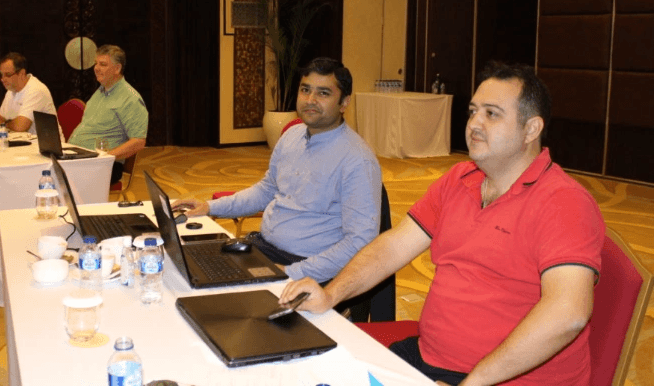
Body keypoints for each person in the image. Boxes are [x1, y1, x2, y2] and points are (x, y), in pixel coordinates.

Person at [280, 61, 605, 386]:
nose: (474, 123)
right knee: (305, 370)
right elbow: (393, 247)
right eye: (473, 111)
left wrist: (473, 382)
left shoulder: (564, 202)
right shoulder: (459, 179)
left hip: (504, 379)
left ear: (531, 129)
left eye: (492, 114)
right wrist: (331, 294)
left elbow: (568, 312)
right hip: (430, 360)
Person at [174, 57, 382, 283]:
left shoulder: (357, 160)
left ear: (344, 102)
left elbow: (359, 241)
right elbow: (266, 190)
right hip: (264, 248)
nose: (310, 100)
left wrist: (292, 272)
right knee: (189, 265)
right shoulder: (292, 136)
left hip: (307, 267)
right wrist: (209, 207)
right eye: (305, 90)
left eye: (323, 93)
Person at [69, 45, 149, 185]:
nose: (96, 68)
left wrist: (104, 158)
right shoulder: (100, 92)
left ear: (117, 68)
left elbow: (138, 142)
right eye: (96, 63)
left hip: (104, 165)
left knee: (52, 179)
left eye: (103, 64)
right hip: (81, 160)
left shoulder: (130, 98)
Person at [0, 52, 58, 134]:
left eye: (8, 75)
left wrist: (2, 125)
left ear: (22, 73)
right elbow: (0, 118)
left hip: (44, 142)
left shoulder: (36, 90)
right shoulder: (11, 90)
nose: (3, 79)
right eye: (1, 75)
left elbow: (20, 126)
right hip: (25, 140)